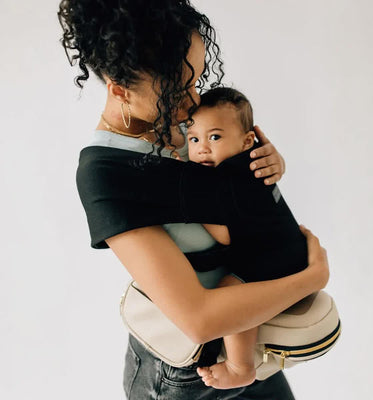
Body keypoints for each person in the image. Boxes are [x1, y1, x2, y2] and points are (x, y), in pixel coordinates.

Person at [57, 1, 330, 399]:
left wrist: (267, 166)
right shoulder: (106, 173)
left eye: (196, 80)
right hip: (182, 373)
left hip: (253, 335)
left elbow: (239, 198)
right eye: (176, 90)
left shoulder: (188, 122)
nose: (193, 101)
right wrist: (311, 279)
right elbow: (198, 319)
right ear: (120, 90)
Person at [184, 86, 309, 389]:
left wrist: (192, 208)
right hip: (287, 248)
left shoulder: (226, 178)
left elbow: (226, 236)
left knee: (231, 296)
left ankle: (240, 367)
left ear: (247, 140)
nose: (202, 148)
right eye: (194, 139)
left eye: (215, 137)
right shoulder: (245, 165)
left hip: (274, 257)